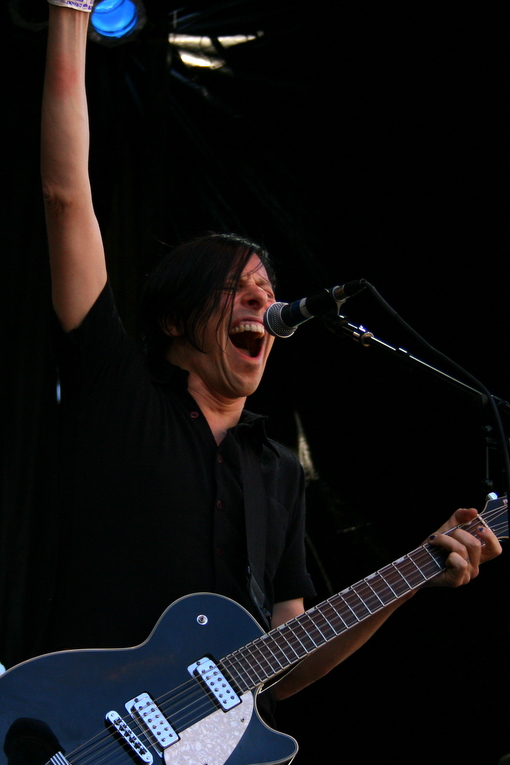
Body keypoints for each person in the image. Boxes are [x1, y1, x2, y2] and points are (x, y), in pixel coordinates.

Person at [13, 0, 500, 762]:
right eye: (234, 287)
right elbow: (66, 195)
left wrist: (413, 576)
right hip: (65, 738)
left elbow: (287, 663)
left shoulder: (275, 471)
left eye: (267, 289)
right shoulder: (118, 391)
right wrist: (73, 13)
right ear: (174, 318)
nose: (261, 302)